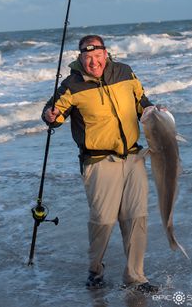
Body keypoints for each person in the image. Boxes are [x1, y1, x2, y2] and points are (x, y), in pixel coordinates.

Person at [42, 35, 158, 293]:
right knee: (103, 220)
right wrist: (50, 116)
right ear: (80, 57)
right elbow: (54, 112)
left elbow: (141, 102)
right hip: (98, 162)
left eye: (97, 56)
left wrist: (151, 112)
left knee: (136, 218)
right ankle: (96, 271)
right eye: (87, 57)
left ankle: (136, 277)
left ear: (106, 54)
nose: (93, 62)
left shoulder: (125, 72)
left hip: (134, 157)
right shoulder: (72, 85)